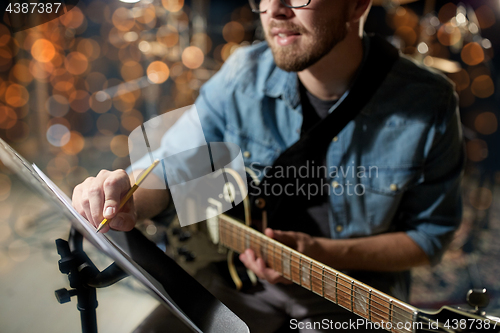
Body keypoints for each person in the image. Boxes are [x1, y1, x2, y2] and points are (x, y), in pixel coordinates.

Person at [72, 0, 464, 331]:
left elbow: (429, 238)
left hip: (351, 299)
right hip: (238, 281)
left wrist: (321, 253)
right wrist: (128, 199)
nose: (273, 10)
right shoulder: (243, 73)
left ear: (358, 4)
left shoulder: (429, 103)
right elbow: (169, 168)